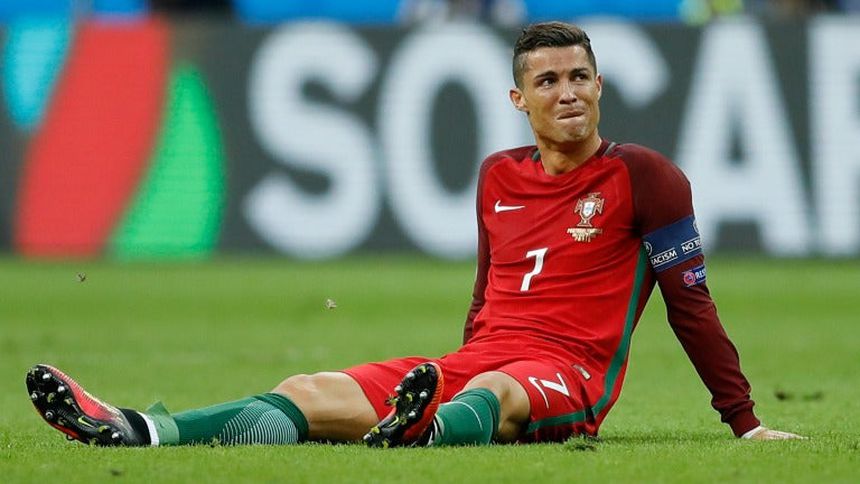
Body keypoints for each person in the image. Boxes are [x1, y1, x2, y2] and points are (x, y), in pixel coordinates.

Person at [26, 21, 804, 447]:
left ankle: (421, 433)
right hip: (477, 361)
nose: (567, 93)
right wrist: (460, 363)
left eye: (578, 77)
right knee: (306, 390)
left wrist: (744, 423)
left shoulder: (646, 176)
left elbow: (691, 304)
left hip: (565, 374)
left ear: (600, 85)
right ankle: (141, 430)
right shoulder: (497, 176)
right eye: (548, 80)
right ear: (519, 99)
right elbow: (485, 294)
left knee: (497, 394)